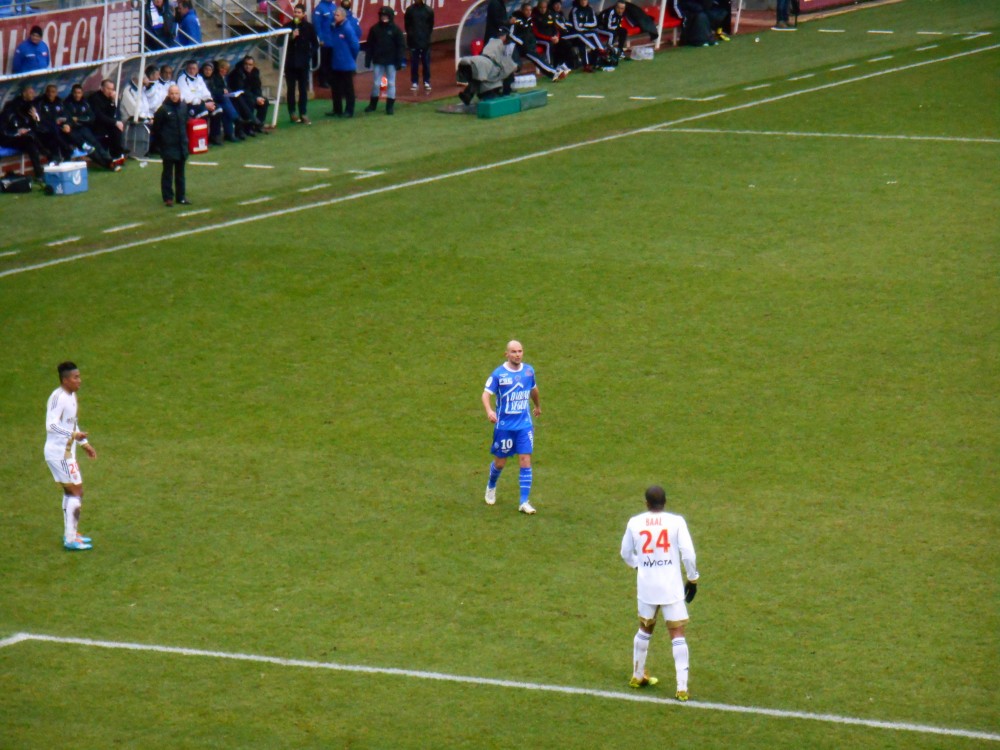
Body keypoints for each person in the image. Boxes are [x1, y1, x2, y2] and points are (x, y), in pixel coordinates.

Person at [620, 485, 699, 700]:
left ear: (646, 503)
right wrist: (693, 578)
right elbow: (688, 554)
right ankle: (681, 688)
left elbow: (625, 553)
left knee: (645, 628)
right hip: (670, 586)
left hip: (647, 585)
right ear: (665, 503)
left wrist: (639, 565)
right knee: (677, 633)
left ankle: (637, 675)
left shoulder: (635, 522)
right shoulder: (676, 522)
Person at [481, 340, 541, 514]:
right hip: (505, 426)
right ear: (506, 354)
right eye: (513, 351)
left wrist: (537, 406)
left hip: (524, 425)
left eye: (520, 351)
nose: (517, 354)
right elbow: (486, 395)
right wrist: (489, 411)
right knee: (500, 463)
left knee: (525, 460)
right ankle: (491, 486)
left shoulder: (528, 371)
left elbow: (534, 390)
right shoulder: (499, 374)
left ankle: (524, 502)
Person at [45, 362, 98, 551]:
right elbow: (51, 425)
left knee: (71, 492)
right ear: (65, 380)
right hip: (59, 454)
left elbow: (71, 423)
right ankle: (70, 538)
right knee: (76, 492)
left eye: (79, 376)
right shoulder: (58, 398)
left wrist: (84, 444)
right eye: (75, 377)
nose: (79, 380)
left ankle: (71, 534)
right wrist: (74, 436)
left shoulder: (72, 396)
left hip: (66, 453)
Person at [0, 86, 52, 179]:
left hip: (23, 139)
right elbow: (3, 131)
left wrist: (35, 119)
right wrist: (17, 132)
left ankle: (40, 173)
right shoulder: (8, 112)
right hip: (9, 139)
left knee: (30, 143)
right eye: (31, 93)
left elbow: (32, 126)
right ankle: (44, 153)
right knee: (29, 138)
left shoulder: (24, 111)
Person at [63, 83, 119, 170]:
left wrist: (78, 119)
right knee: (89, 149)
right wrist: (74, 121)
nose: (77, 95)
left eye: (79, 93)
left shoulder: (85, 103)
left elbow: (91, 118)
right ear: (72, 93)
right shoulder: (67, 104)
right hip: (73, 131)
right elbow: (68, 119)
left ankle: (110, 161)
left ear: (82, 93)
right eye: (75, 93)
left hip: (84, 128)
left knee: (96, 144)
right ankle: (107, 165)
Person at [457, 26, 517, 105]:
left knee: (477, 78)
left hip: (472, 62)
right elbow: (508, 66)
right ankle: (469, 95)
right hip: (481, 65)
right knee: (481, 78)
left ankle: (468, 95)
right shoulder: (499, 44)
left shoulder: (491, 43)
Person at [152, 84, 190, 206]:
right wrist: (162, 143)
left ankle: (181, 196)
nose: (174, 96)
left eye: (176, 93)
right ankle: (168, 198)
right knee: (167, 173)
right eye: (172, 93)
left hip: (181, 145)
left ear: (180, 94)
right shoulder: (163, 110)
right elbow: (156, 128)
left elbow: (185, 123)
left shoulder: (183, 107)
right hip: (168, 146)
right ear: (168, 94)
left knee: (180, 173)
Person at [363, 6, 406, 115]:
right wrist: (368, 59)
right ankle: (373, 105)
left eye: (386, 16)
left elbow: (401, 46)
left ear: (390, 17)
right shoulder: (375, 29)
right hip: (378, 60)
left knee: (391, 83)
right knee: (376, 83)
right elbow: (370, 45)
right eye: (382, 16)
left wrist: (400, 60)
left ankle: (390, 106)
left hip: (391, 61)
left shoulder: (396, 30)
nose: (384, 18)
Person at [510, 2, 568, 80]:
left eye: (530, 10)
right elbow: (511, 35)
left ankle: (553, 74)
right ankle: (553, 72)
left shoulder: (529, 20)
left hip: (528, 46)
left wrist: (533, 43)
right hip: (519, 47)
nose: (528, 12)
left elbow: (531, 34)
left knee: (537, 57)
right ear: (521, 10)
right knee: (536, 57)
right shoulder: (516, 20)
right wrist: (522, 43)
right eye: (526, 10)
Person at [284, 3, 318, 124]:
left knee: (303, 89)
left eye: (299, 12)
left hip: (303, 63)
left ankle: (303, 113)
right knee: (291, 89)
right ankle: (292, 112)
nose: (296, 14)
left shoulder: (309, 27)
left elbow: (315, 44)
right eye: (295, 12)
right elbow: (279, 42)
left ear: (303, 14)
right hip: (290, 64)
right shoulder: (287, 26)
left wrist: (309, 55)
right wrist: (291, 37)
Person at [328, 6, 359, 117]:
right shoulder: (335, 27)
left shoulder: (347, 28)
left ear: (343, 16)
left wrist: (351, 57)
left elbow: (355, 45)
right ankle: (337, 109)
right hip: (336, 62)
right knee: (335, 88)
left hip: (346, 63)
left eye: (337, 15)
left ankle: (349, 110)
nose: (335, 17)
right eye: (334, 15)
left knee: (348, 89)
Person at [177, 59, 220, 140]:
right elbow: (187, 98)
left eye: (194, 68)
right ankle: (203, 138)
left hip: (202, 102)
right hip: (190, 105)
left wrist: (209, 100)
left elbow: (205, 91)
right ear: (187, 68)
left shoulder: (199, 77)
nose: (192, 70)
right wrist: (204, 104)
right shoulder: (182, 79)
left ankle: (215, 137)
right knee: (204, 112)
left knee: (218, 109)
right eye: (190, 68)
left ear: (197, 69)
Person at [87, 79, 127, 164]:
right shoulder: (95, 98)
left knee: (117, 129)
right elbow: (99, 115)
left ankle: (117, 155)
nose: (110, 91)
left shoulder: (111, 98)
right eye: (108, 88)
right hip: (97, 124)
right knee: (115, 126)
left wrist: (113, 102)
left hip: (107, 123)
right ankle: (114, 155)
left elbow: (113, 114)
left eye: (112, 89)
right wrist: (115, 122)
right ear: (102, 88)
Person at [228, 56, 270, 132]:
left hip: (252, 95)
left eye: (250, 64)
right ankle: (248, 127)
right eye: (246, 64)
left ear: (253, 65)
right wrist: (255, 98)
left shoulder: (255, 72)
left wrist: (258, 97)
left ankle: (259, 125)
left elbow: (257, 87)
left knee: (265, 101)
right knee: (250, 101)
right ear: (243, 64)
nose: (248, 66)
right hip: (240, 97)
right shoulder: (238, 73)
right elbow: (241, 89)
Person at [565, 0, 606, 72]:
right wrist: (586, 26)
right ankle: (595, 55)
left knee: (593, 33)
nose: (583, 2)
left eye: (585, 0)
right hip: (575, 35)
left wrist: (584, 25)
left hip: (584, 33)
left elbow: (594, 23)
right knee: (582, 41)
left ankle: (601, 52)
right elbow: (576, 27)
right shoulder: (575, 10)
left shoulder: (590, 9)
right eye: (582, 0)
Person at [404, 0, 434, 91]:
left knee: (426, 63)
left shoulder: (429, 11)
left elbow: (430, 25)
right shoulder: (410, 10)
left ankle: (426, 81)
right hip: (413, 42)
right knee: (414, 63)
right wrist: (411, 36)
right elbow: (407, 25)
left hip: (425, 42)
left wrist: (426, 37)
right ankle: (414, 82)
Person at [313, 0, 336, 89]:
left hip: (333, 40)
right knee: (324, 62)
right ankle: (323, 81)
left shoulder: (333, 6)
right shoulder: (319, 8)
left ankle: (330, 79)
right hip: (324, 41)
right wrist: (320, 39)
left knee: (331, 61)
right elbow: (317, 25)